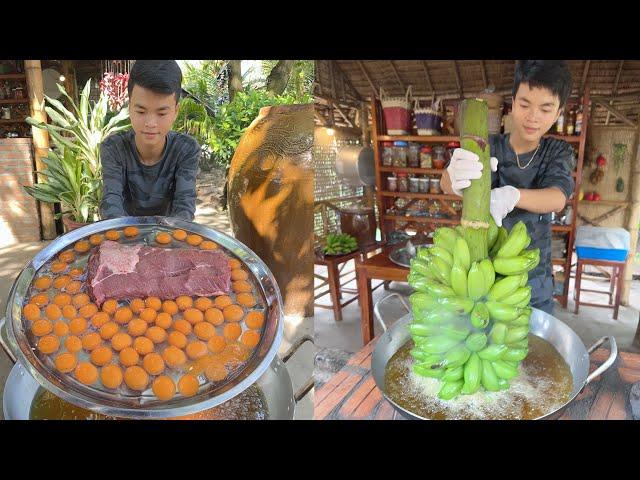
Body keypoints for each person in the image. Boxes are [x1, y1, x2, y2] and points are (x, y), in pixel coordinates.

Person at [442, 60, 575, 314]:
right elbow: (445, 182)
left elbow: (557, 198)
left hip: (533, 282)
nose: (533, 117)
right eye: (525, 104)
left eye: (546, 109)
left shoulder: (557, 151)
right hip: (481, 277)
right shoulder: (486, 143)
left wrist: (513, 195)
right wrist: (453, 175)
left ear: (558, 113)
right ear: (512, 104)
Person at [100, 60, 200, 221]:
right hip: (122, 236)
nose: (150, 123)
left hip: (170, 235)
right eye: (140, 111)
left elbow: (184, 208)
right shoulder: (114, 148)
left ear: (175, 111)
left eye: (161, 113)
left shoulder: (186, 149)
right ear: (129, 107)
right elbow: (111, 203)